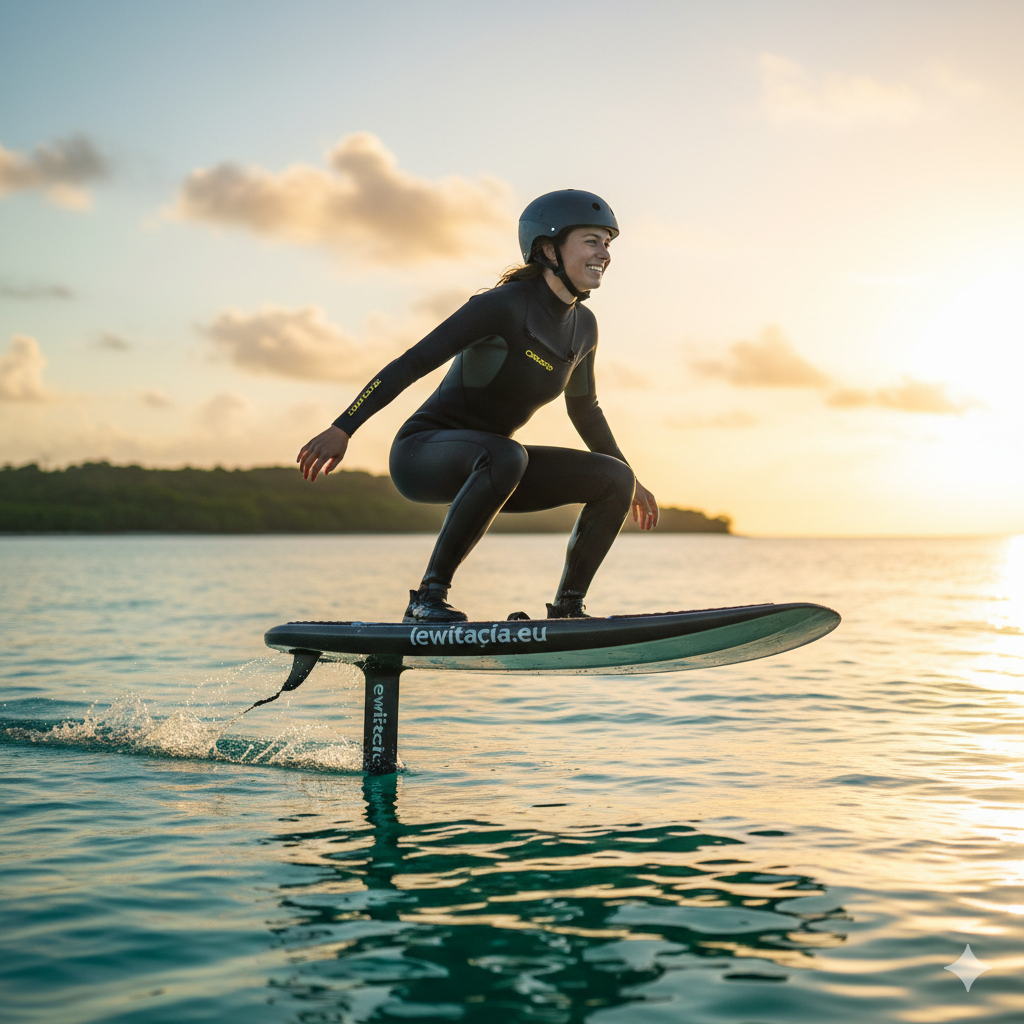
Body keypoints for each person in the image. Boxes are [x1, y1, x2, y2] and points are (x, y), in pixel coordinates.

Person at [297, 189, 659, 623]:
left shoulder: (584, 327)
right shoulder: (502, 306)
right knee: (506, 454)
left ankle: (567, 610)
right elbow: (413, 362)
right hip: (423, 454)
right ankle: (427, 598)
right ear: (549, 249)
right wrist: (343, 427)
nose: (604, 254)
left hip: (497, 465)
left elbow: (586, 410)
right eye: (591, 241)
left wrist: (632, 478)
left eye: (607, 243)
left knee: (614, 479)